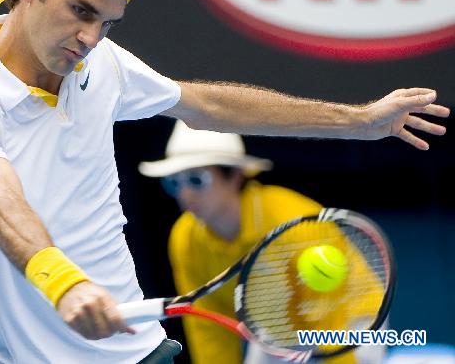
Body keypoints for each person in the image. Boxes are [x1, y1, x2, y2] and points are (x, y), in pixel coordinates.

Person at [0, 0, 449, 363]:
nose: (92, 38)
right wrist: (63, 283)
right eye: (81, 11)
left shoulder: (103, 67)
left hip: (139, 354)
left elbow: (210, 105)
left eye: (108, 23)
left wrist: (360, 120)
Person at [139, 120, 386, 364]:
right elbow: (206, 326)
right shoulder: (185, 238)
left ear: (235, 176)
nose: (185, 194)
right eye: (174, 182)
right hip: (280, 325)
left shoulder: (294, 222)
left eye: (196, 179)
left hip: (353, 319)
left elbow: (332, 313)